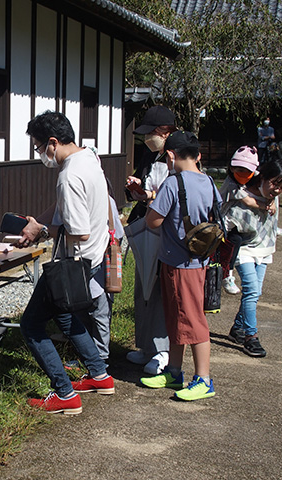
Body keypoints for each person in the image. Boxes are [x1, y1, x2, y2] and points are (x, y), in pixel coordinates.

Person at [16, 111, 114, 415]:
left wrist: (42, 230)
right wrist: (39, 222)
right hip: (93, 259)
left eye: (38, 147)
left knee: (31, 324)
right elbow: (64, 207)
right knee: (66, 316)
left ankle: (64, 393)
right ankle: (100, 375)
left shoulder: (68, 176)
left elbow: (79, 230)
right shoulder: (90, 158)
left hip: (71, 264)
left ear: (53, 142)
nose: (40, 155)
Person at [139, 131, 221, 401]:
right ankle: (174, 372)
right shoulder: (209, 181)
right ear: (197, 155)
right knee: (176, 317)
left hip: (178, 263)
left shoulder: (172, 184)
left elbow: (153, 221)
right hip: (200, 260)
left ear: (171, 155)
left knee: (193, 321)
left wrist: (151, 202)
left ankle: (204, 379)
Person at [125, 105, 177, 375]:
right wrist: (137, 189)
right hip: (145, 227)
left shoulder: (178, 157)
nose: (147, 140)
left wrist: (152, 197)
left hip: (167, 232)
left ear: (165, 132)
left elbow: (176, 195)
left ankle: (163, 350)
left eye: (151, 134)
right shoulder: (149, 154)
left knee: (159, 292)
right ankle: (145, 345)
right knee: (143, 288)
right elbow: (148, 190)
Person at [223, 159, 282, 357]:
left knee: (255, 292)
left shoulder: (272, 197)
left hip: (264, 250)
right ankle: (250, 337)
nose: (277, 190)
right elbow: (226, 223)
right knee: (252, 291)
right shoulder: (239, 195)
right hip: (244, 250)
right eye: (274, 184)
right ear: (262, 176)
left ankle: (237, 328)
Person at [219, 146, 274, 295]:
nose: (242, 174)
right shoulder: (231, 183)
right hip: (227, 220)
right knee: (234, 242)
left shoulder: (257, 177)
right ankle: (227, 275)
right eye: (238, 170)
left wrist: (272, 202)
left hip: (243, 220)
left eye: (246, 171)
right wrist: (266, 207)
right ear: (231, 168)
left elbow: (269, 191)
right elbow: (249, 201)